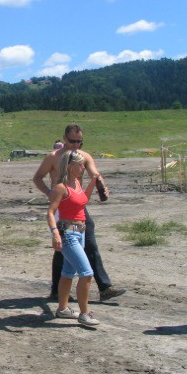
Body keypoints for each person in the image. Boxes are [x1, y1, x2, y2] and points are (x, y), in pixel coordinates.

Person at [33, 124, 126, 302]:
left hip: (77, 205)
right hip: (61, 205)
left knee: (90, 243)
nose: (76, 145)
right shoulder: (53, 157)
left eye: (79, 142)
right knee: (62, 249)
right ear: (64, 138)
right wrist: (49, 193)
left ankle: (104, 288)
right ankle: (56, 291)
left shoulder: (84, 157)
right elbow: (37, 178)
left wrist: (103, 188)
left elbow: (95, 176)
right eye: (72, 141)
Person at [47, 150, 100, 326]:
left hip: (80, 233)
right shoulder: (61, 187)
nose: (83, 167)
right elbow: (50, 212)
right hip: (68, 234)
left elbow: (82, 200)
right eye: (80, 165)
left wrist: (93, 182)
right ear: (70, 167)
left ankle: (63, 309)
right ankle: (85, 313)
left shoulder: (76, 183)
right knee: (87, 273)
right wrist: (55, 232)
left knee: (68, 273)